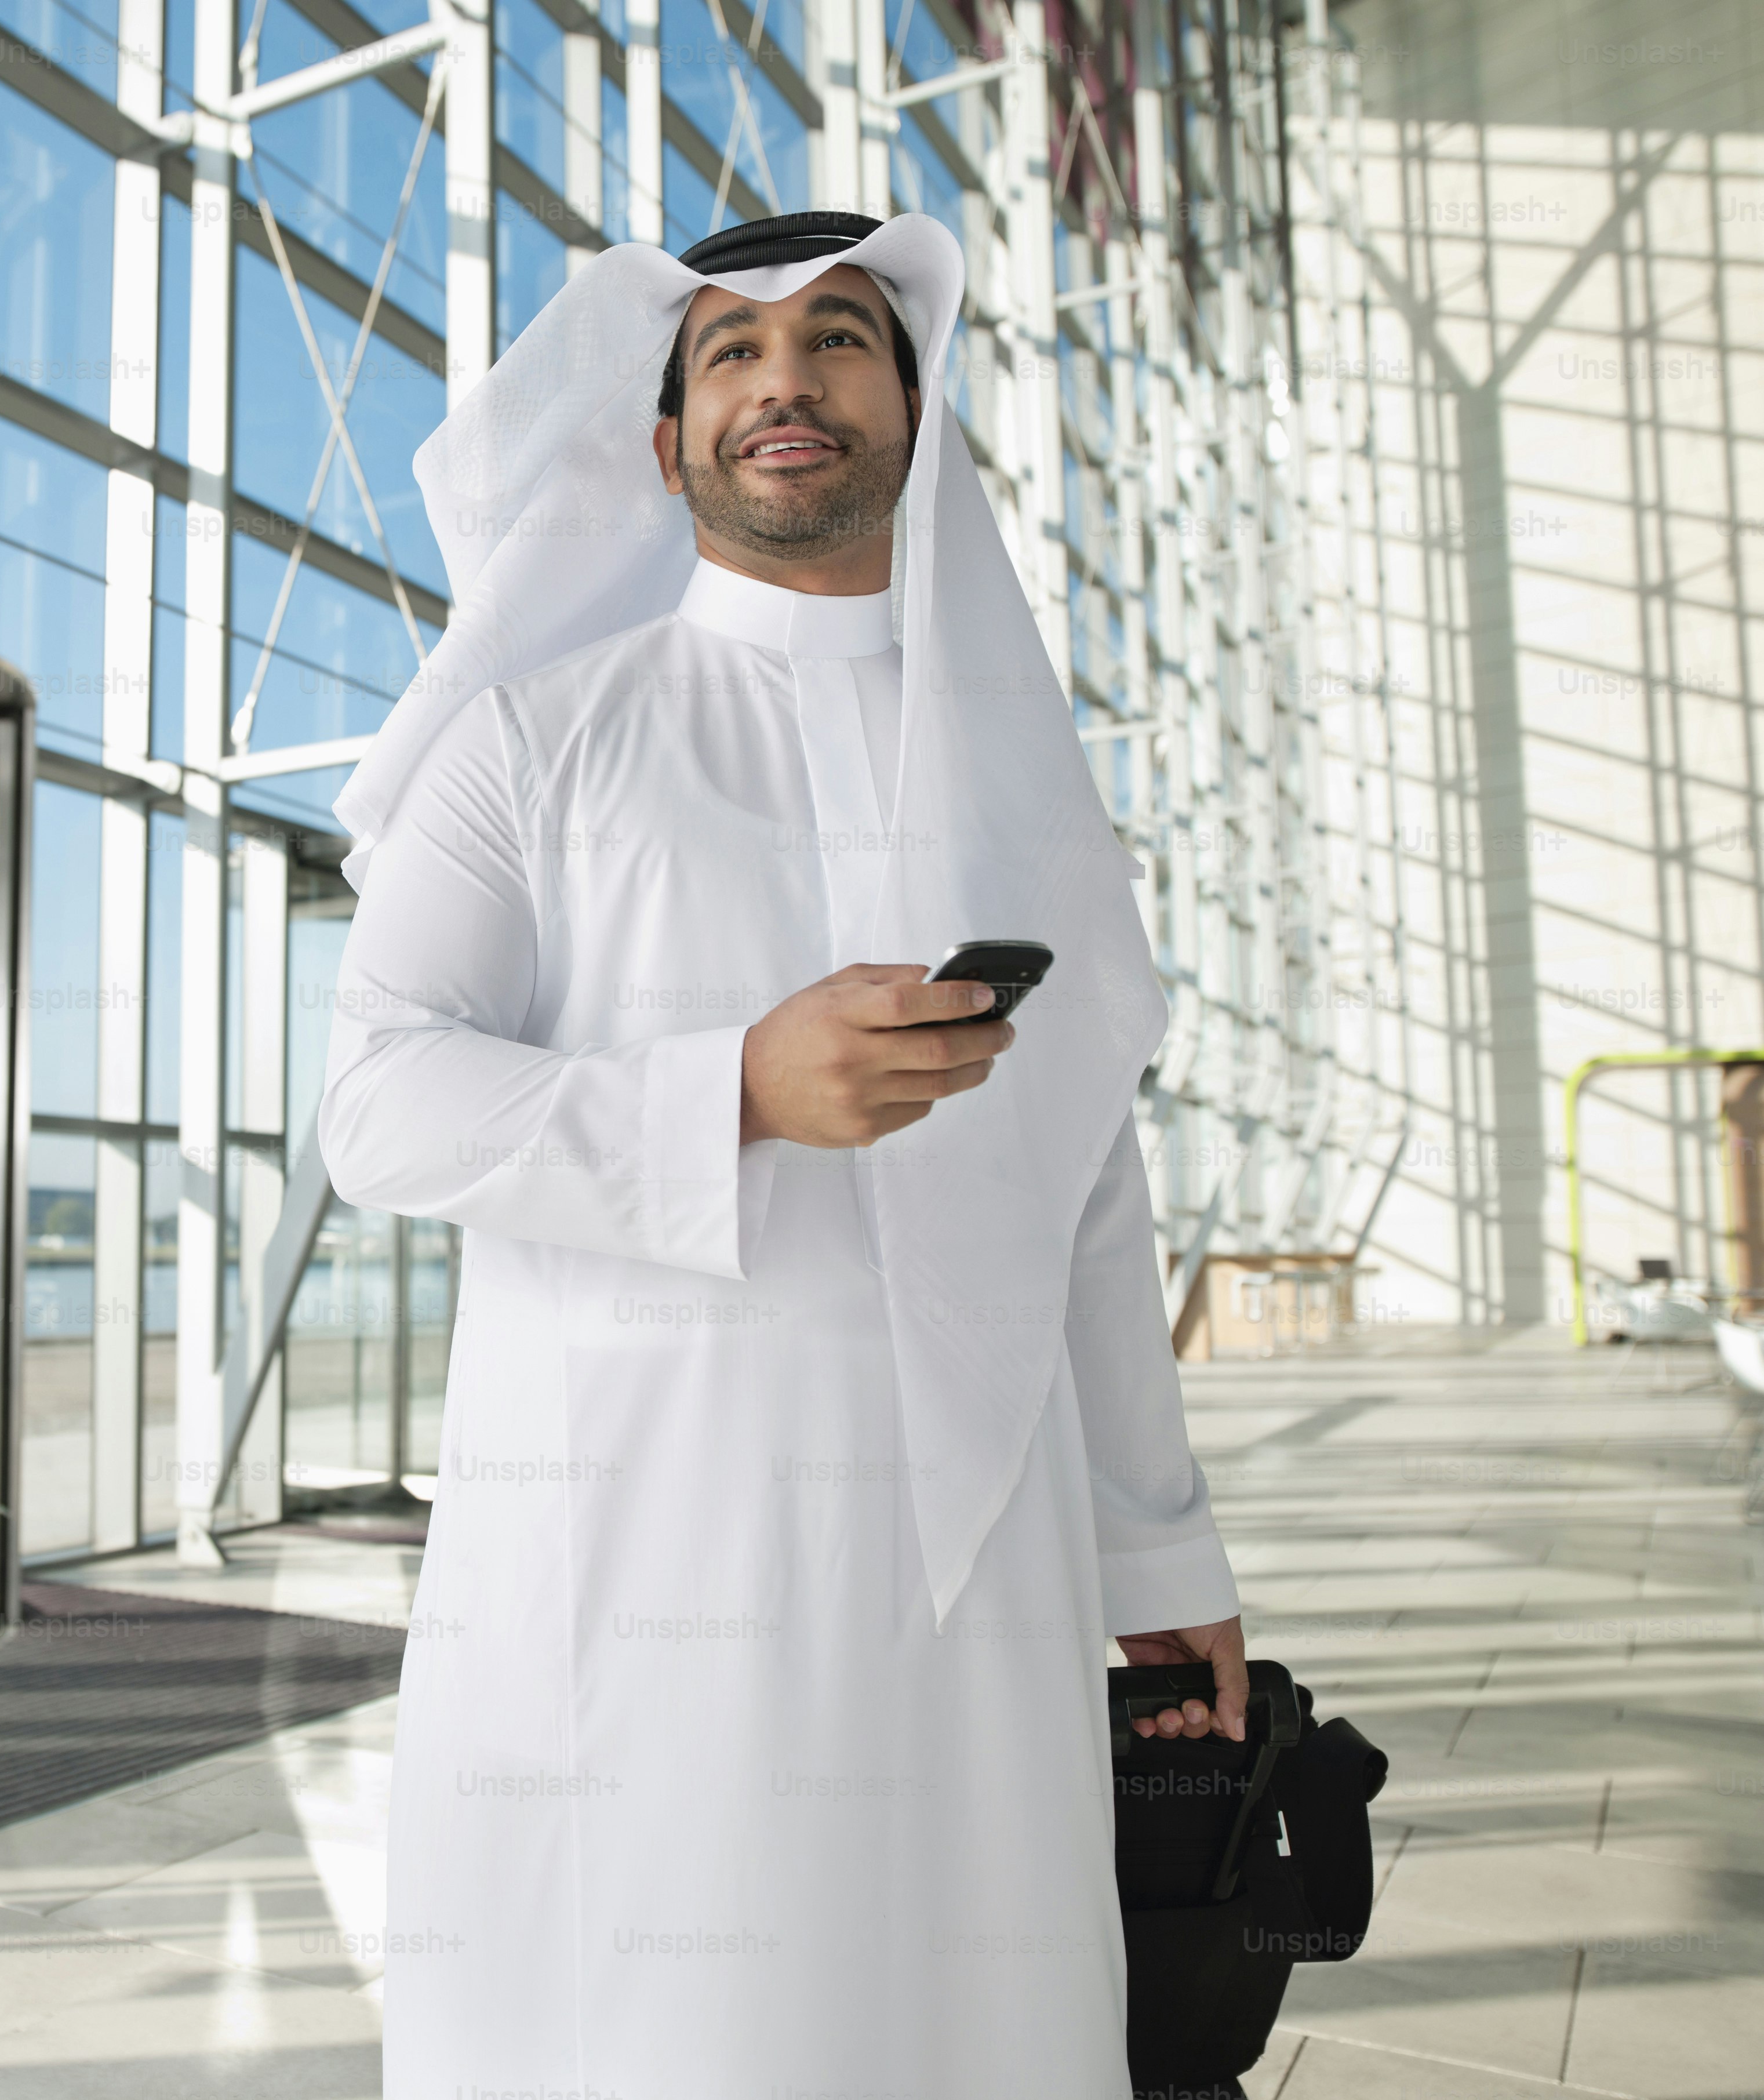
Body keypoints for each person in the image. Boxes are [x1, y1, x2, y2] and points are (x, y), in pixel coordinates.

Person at [318, 210, 1250, 2099]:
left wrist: (1162, 1548)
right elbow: (376, 1104)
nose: (782, 381)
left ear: (913, 409)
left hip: (973, 1550)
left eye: (836, 339)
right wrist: (728, 1087)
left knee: (967, 2019)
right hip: (627, 1528)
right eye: (727, 354)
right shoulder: (531, 740)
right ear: (659, 446)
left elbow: (1084, 1192)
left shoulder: (1021, 789)